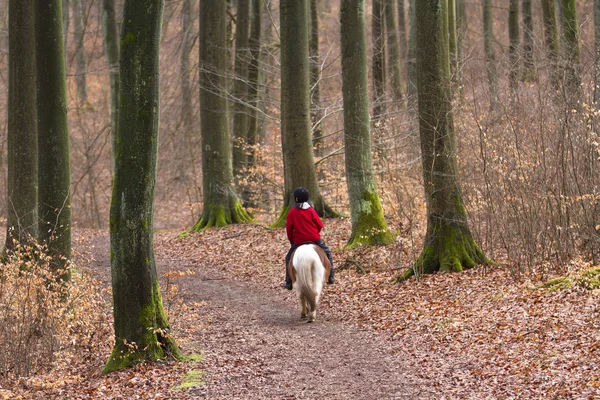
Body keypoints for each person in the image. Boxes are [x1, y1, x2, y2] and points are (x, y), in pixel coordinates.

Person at [282, 187, 334, 290]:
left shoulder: (292, 212)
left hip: (299, 241)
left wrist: (292, 240)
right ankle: (331, 276)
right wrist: (314, 234)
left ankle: (288, 282)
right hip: (314, 239)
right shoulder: (310, 210)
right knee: (327, 253)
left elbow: (289, 229)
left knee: (288, 258)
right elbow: (319, 224)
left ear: (296, 199)